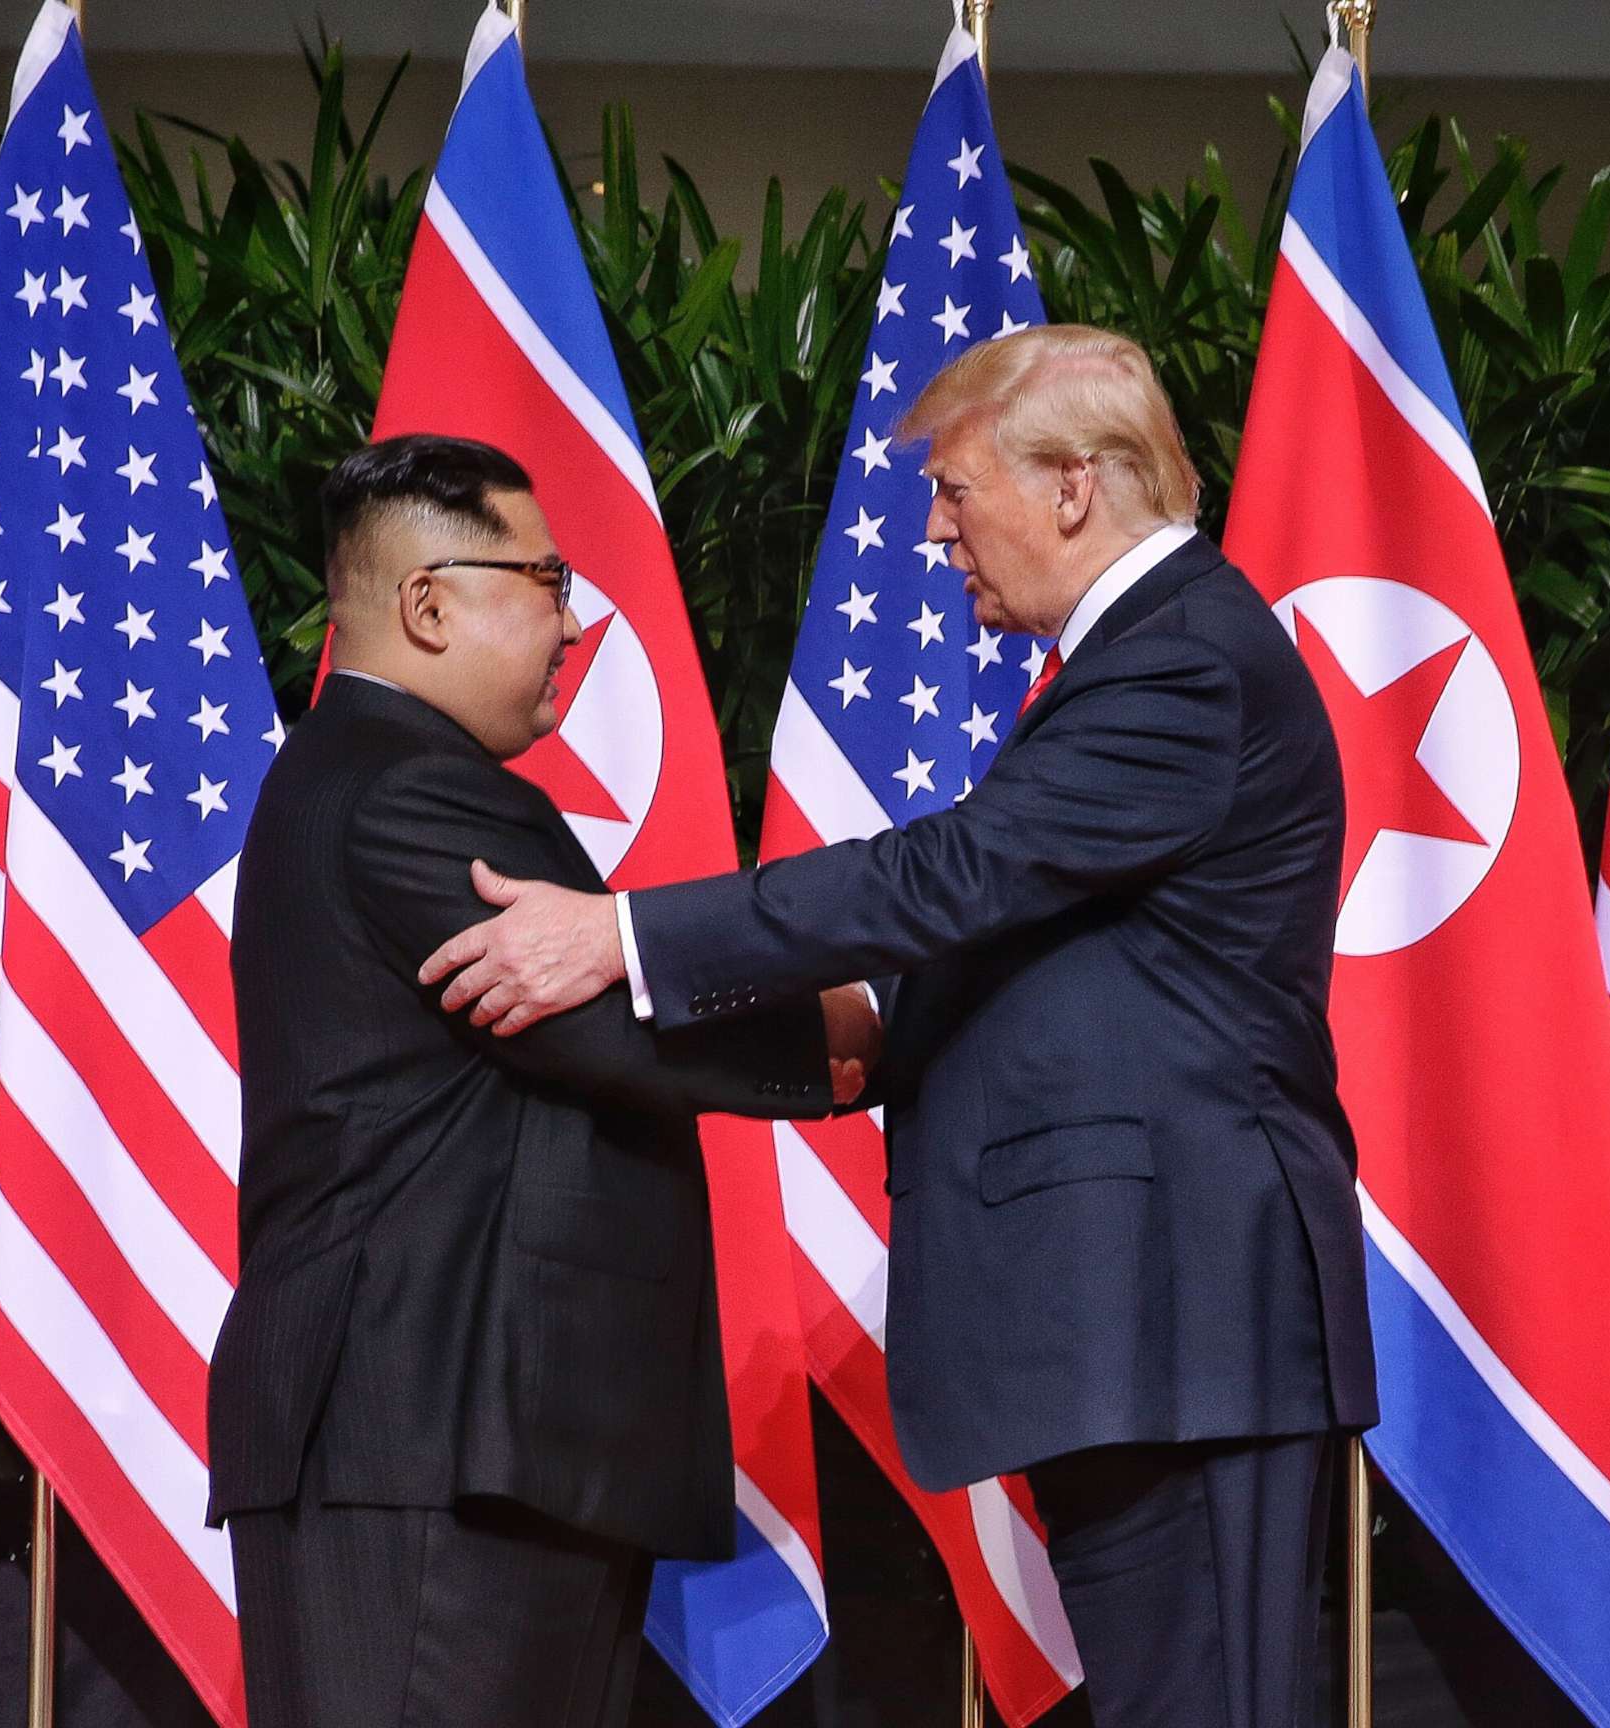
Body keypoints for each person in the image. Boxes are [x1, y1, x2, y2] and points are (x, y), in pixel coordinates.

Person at [417, 327, 1377, 1728]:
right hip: (1149, 1317)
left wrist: (615, 933)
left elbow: (954, 876)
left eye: (957, 489)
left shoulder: (1184, 663)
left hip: (1184, 1311)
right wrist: (873, 1034)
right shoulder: (1142, 661)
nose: (934, 528)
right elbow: (1062, 943)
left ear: (1071, 487)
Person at [204, 433, 871, 1728]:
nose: (574, 625)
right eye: (549, 582)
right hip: (429, 1441)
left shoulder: (364, 776)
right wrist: (869, 1029)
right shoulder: (404, 788)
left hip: (451, 1445)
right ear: (429, 603)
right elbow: (609, 1019)